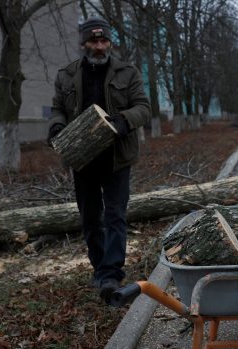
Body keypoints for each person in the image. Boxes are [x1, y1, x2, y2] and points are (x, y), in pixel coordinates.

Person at [47, 17, 151, 304]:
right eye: (93, 41)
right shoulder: (66, 74)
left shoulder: (127, 72)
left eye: (103, 40)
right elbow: (57, 109)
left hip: (117, 157)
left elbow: (143, 108)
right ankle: (99, 268)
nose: (99, 46)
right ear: (83, 43)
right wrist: (56, 127)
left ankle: (112, 274)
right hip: (83, 158)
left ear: (110, 42)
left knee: (115, 215)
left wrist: (123, 121)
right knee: (90, 218)